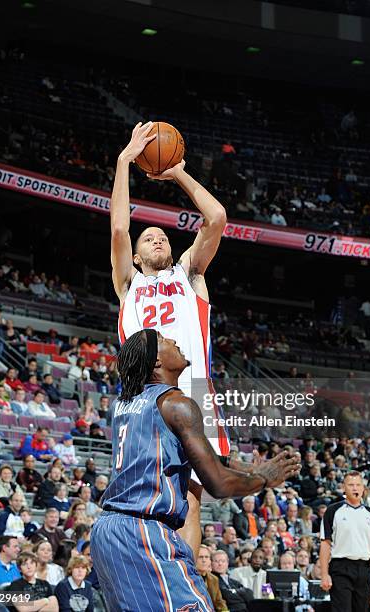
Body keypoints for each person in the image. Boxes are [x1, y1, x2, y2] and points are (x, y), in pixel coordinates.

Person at [90, 329, 301, 611]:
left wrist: (245, 467)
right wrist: (263, 479)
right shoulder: (177, 405)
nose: (175, 341)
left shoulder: (124, 404)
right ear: (155, 361)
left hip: (108, 531)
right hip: (141, 531)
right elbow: (219, 484)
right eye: (165, 340)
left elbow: (186, 453)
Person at [110, 122, 231, 557]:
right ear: (137, 256)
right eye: (149, 238)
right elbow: (120, 228)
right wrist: (126, 161)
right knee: (146, 501)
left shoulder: (190, 274)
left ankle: (182, 588)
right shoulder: (128, 283)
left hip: (195, 390)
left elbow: (215, 218)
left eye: (161, 234)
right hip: (145, 396)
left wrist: (177, 172)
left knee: (191, 503)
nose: (157, 236)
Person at [320, 471, 370, 611]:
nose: (355, 488)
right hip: (340, 568)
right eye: (351, 485)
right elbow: (325, 544)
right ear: (343, 487)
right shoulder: (332, 511)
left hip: (364, 569)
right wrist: (324, 574)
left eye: (358, 485)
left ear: (363, 489)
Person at [196, 545, 228, 611]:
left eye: (206, 557)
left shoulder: (214, 579)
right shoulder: (187, 578)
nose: (204, 560)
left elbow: (219, 602)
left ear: (210, 561)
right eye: (200, 557)